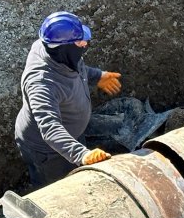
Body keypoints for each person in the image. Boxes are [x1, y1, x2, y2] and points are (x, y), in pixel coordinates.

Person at [14, 11, 124, 187]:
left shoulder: (57, 53)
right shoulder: (42, 84)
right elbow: (50, 128)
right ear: (64, 47)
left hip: (71, 134)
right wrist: (81, 154)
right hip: (49, 152)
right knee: (60, 188)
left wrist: (97, 76)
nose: (85, 44)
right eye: (80, 41)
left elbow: (75, 67)